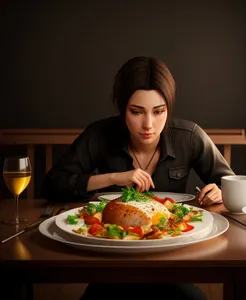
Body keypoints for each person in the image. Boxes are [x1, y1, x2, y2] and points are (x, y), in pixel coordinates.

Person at [42, 56, 235, 300]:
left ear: (169, 108)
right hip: (110, 266)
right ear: (121, 107)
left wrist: (220, 190)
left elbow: (229, 183)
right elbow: (52, 184)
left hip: (171, 262)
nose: (148, 125)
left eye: (159, 111)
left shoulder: (189, 136)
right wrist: (112, 177)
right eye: (136, 112)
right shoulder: (99, 134)